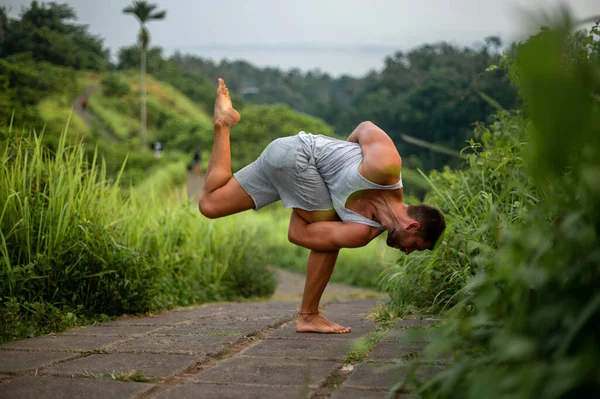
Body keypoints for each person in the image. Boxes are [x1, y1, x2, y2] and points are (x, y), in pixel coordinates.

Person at [199, 79, 446, 334]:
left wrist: (307, 193)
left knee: (210, 204)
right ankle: (308, 315)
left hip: (283, 159)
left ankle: (223, 123)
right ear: (413, 225)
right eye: (415, 246)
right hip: (299, 154)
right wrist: (340, 157)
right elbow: (365, 127)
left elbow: (296, 235)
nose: (407, 253)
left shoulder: (361, 231)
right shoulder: (385, 167)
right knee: (331, 238)